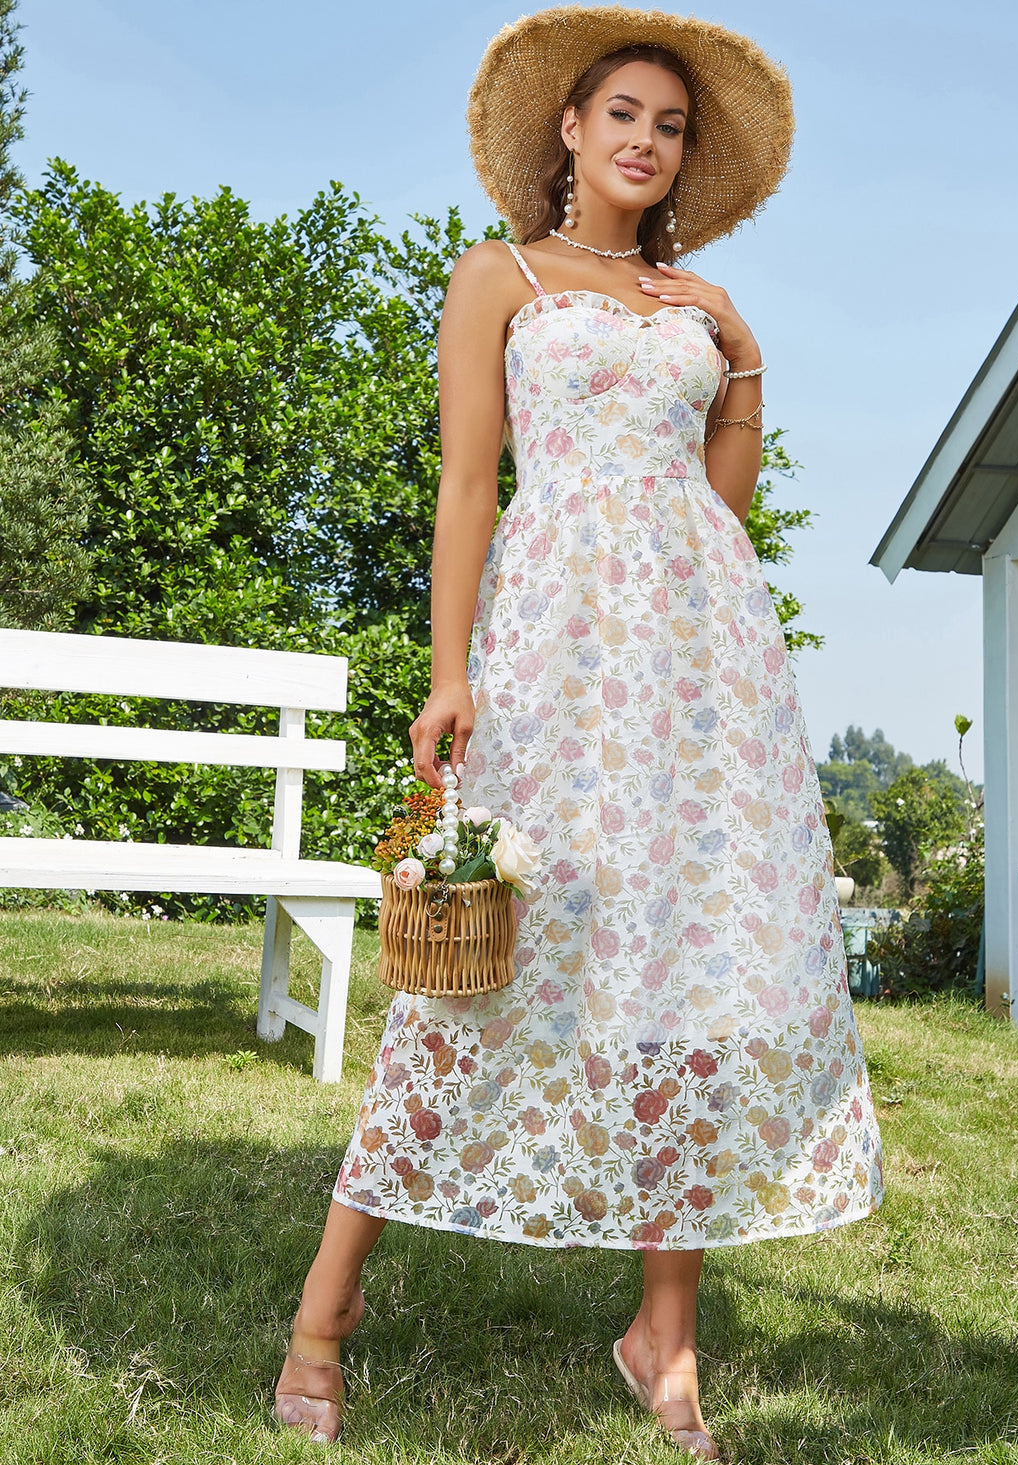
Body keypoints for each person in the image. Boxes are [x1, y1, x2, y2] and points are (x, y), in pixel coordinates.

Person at [274, 6, 884, 1456]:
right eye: (622, 113)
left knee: (684, 972)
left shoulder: (701, 304)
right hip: (553, 648)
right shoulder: (502, 278)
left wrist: (741, 361)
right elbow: (469, 491)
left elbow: (718, 507)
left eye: (668, 126)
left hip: (701, 668)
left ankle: (665, 1338)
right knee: (474, 968)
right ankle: (323, 1311)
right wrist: (446, 673)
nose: (643, 140)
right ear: (568, 126)